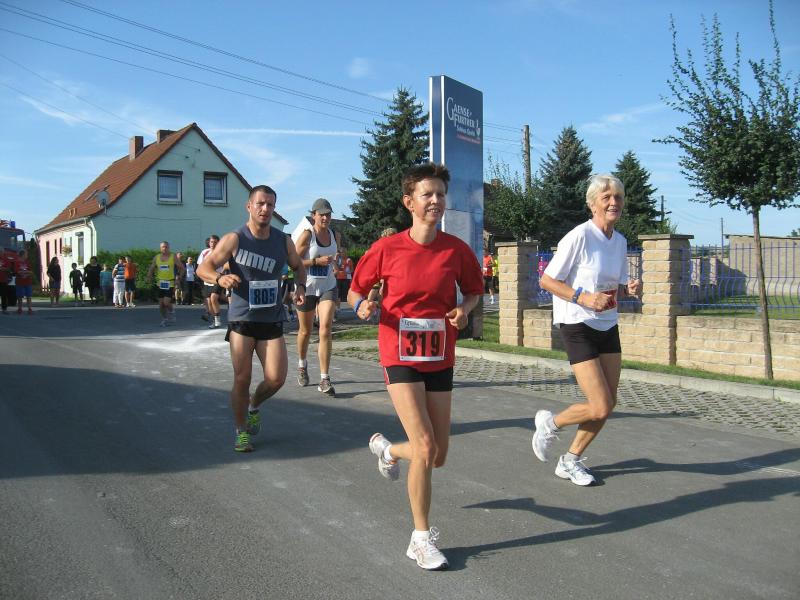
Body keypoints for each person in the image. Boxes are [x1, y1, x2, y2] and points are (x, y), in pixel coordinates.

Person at [348, 163, 483, 571]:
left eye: (440, 194)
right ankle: (420, 539)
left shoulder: (456, 250)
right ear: (409, 202)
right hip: (399, 352)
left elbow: (474, 291)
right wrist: (362, 306)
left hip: (439, 354)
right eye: (428, 194)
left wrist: (464, 309)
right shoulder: (386, 249)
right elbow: (355, 290)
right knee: (424, 447)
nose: (436, 200)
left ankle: (389, 450)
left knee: (437, 455)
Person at [532, 174, 641, 486]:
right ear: (593, 204)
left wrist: (629, 288)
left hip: (608, 324)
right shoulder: (579, 236)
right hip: (577, 323)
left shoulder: (619, 241)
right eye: (606, 197)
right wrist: (583, 297)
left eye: (618, 197)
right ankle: (551, 424)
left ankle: (570, 460)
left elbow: (614, 283)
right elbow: (547, 280)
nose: (613, 202)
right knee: (599, 404)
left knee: (608, 404)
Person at [196, 185, 307, 453]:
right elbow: (203, 268)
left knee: (276, 378)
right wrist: (220, 278)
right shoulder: (234, 238)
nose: (265, 209)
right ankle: (241, 430)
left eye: (270, 205)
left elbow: (298, 267)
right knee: (242, 378)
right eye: (260, 204)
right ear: (249, 206)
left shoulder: (283, 241)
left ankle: (253, 405)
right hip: (242, 319)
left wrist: (300, 287)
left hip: (271, 318)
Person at [293, 198, 341, 397]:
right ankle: (302, 365)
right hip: (307, 287)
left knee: (325, 329)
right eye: (321, 214)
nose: (325, 218)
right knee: (305, 331)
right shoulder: (307, 235)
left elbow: (336, 257)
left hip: (328, 286)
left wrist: (335, 265)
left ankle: (324, 378)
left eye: (328, 214)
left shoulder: (335, 234)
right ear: (313, 215)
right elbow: (294, 262)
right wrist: (315, 261)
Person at [147, 241, 185, 327]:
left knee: (166, 302)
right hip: (160, 283)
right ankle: (164, 319)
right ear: (160, 248)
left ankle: (172, 312)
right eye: (163, 247)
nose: (164, 248)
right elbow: (152, 267)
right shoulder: (157, 257)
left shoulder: (173, 257)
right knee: (161, 305)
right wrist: (149, 276)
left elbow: (182, 268)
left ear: (168, 247)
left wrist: (178, 278)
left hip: (170, 282)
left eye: (166, 247)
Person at [198, 235, 224, 328]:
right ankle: (214, 320)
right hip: (207, 279)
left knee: (214, 298)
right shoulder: (204, 252)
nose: (213, 244)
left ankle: (218, 320)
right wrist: (202, 276)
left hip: (218, 278)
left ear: (218, 243)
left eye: (215, 242)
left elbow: (226, 265)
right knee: (209, 302)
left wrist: (222, 275)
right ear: (209, 243)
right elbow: (200, 266)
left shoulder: (222, 252)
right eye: (211, 242)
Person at [14, 249, 35, 315]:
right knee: (20, 296)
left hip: (28, 282)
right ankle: (20, 309)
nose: (27, 255)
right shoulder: (17, 262)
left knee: (29, 296)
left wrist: (25, 274)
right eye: (26, 254)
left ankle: (29, 309)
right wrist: (25, 272)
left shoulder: (27, 262)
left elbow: (31, 272)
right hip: (19, 282)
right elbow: (17, 271)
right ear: (23, 255)